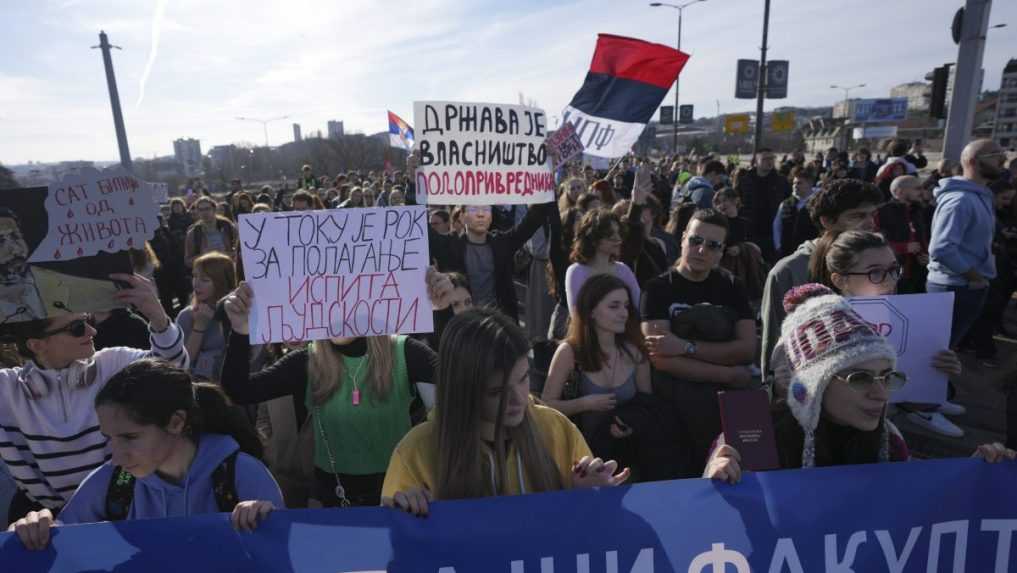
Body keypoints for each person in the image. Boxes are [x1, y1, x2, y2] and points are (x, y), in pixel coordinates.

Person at [705, 284, 1015, 481]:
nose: (880, 393)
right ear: (812, 386)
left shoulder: (889, 441)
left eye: (887, 376)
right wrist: (716, 479)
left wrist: (976, 478)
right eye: (860, 378)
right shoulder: (751, 436)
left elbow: (918, 513)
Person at [7, 359, 284, 549]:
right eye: (109, 438)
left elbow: (281, 553)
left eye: (130, 437)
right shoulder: (114, 482)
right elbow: (61, 541)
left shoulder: (240, 475)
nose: (115, 456)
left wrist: (268, 521)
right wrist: (36, 529)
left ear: (176, 422)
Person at [381, 308, 629, 516]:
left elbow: (593, 532)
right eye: (497, 391)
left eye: (523, 379)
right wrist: (406, 513)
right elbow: (394, 550)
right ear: (463, 391)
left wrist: (592, 495)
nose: (518, 398)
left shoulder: (556, 428)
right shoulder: (416, 451)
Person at [219, 281, 442, 508]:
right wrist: (240, 330)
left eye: (344, 300)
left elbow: (459, 384)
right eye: (327, 300)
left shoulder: (405, 352)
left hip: (398, 498)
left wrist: (442, 310)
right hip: (332, 500)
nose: (336, 311)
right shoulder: (308, 360)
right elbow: (237, 391)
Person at [0, 273, 187, 524]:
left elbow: (175, 373)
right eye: (77, 328)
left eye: (87, 319)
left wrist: (158, 317)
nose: (92, 330)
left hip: (120, 512)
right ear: (37, 345)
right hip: (45, 522)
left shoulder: (112, 363)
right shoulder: (8, 389)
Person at [799, 230, 965, 437]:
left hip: (878, 433)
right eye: (875, 273)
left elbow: (906, 399)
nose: (890, 281)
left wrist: (935, 374)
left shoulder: (907, 318)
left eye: (894, 270)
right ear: (840, 280)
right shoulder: (813, 330)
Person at [641, 209, 757, 477]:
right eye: (695, 240)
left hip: (726, 412)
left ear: (721, 251)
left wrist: (685, 347)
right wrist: (727, 372)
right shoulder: (657, 289)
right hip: (673, 410)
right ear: (682, 239)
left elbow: (746, 349)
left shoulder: (732, 286)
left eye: (713, 245)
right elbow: (660, 357)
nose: (702, 250)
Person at [760, 179, 883, 381]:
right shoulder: (789, 271)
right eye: (858, 216)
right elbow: (774, 348)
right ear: (827, 221)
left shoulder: (881, 264)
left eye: (872, 215)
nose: (870, 223)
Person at [542, 275, 652, 461]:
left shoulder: (635, 351)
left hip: (629, 454)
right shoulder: (569, 352)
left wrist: (630, 424)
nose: (624, 313)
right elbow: (545, 406)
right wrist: (585, 403)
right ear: (591, 311)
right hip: (580, 456)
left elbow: (648, 404)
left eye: (626, 305)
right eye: (613, 306)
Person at [926, 139, 1005, 350]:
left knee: (946, 350)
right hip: (955, 286)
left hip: (962, 286)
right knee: (939, 352)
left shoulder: (977, 196)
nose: (1003, 159)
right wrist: (975, 278)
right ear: (972, 161)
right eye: (996, 155)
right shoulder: (960, 200)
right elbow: (941, 248)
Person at [427, 201, 551, 324]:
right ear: (462, 217)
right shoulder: (449, 246)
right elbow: (421, 228)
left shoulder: (502, 243)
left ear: (491, 217)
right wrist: (412, 186)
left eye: (486, 209)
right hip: (463, 324)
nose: (480, 215)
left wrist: (544, 191)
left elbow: (533, 220)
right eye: (474, 209)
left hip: (498, 324)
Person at [964, 179, 1017, 368]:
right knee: (986, 310)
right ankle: (983, 351)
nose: (1007, 203)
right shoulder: (981, 212)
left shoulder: (997, 212)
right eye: (1004, 198)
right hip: (983, 270)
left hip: (996, 267)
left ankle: (971, 344)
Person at [565, 209, 640, 314]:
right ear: (593, 238)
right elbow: (577, 315)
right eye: (610, 235)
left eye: (619, 233)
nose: (618, 239)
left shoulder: (623, 270)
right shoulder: (576, 271)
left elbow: (639, 306)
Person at [176, 252, 236, 382]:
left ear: (222, 282)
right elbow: (182, 364)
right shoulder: (187, 315)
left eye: (205, 280)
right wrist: (199, 326)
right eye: (195, 276)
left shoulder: (237, 313)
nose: (196, 284)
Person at [874, 175, 929, 294]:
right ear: (899, 191)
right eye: (917, 188)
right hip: (892, 277)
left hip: (918, 274)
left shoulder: (919, 210)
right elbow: (873, 241)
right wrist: (902, 248)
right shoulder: (881, 212)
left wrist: (925, 255)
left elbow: (922, 237)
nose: (922, 192)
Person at [738, 148, 791, 263]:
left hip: (773, 233)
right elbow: (738, 204)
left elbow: (789, 203)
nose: (769, 161)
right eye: (765, 158)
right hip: (750, 232)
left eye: (772, 158)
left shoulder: (781, 181)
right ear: (756, 161)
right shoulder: (745, 181)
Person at [773, 166, 817, 259]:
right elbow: (777, 225)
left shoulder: (817, 203)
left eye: (799, 183)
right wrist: (778, 245)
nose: (795, 186)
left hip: (810, 253)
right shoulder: (785, 203)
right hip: (787, 252)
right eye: (794, 183)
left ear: (810, 184)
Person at [185, 196, 238, 269]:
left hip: (229, 271)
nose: (204, 212)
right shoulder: (193, 233)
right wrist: (204, 256)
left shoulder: (228, 227)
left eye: (207, 209)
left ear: (214, 209)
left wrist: (227, 255)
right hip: (206, 275)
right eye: (201, 210)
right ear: (197, 212)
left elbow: (240, 251)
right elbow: (188, 261)